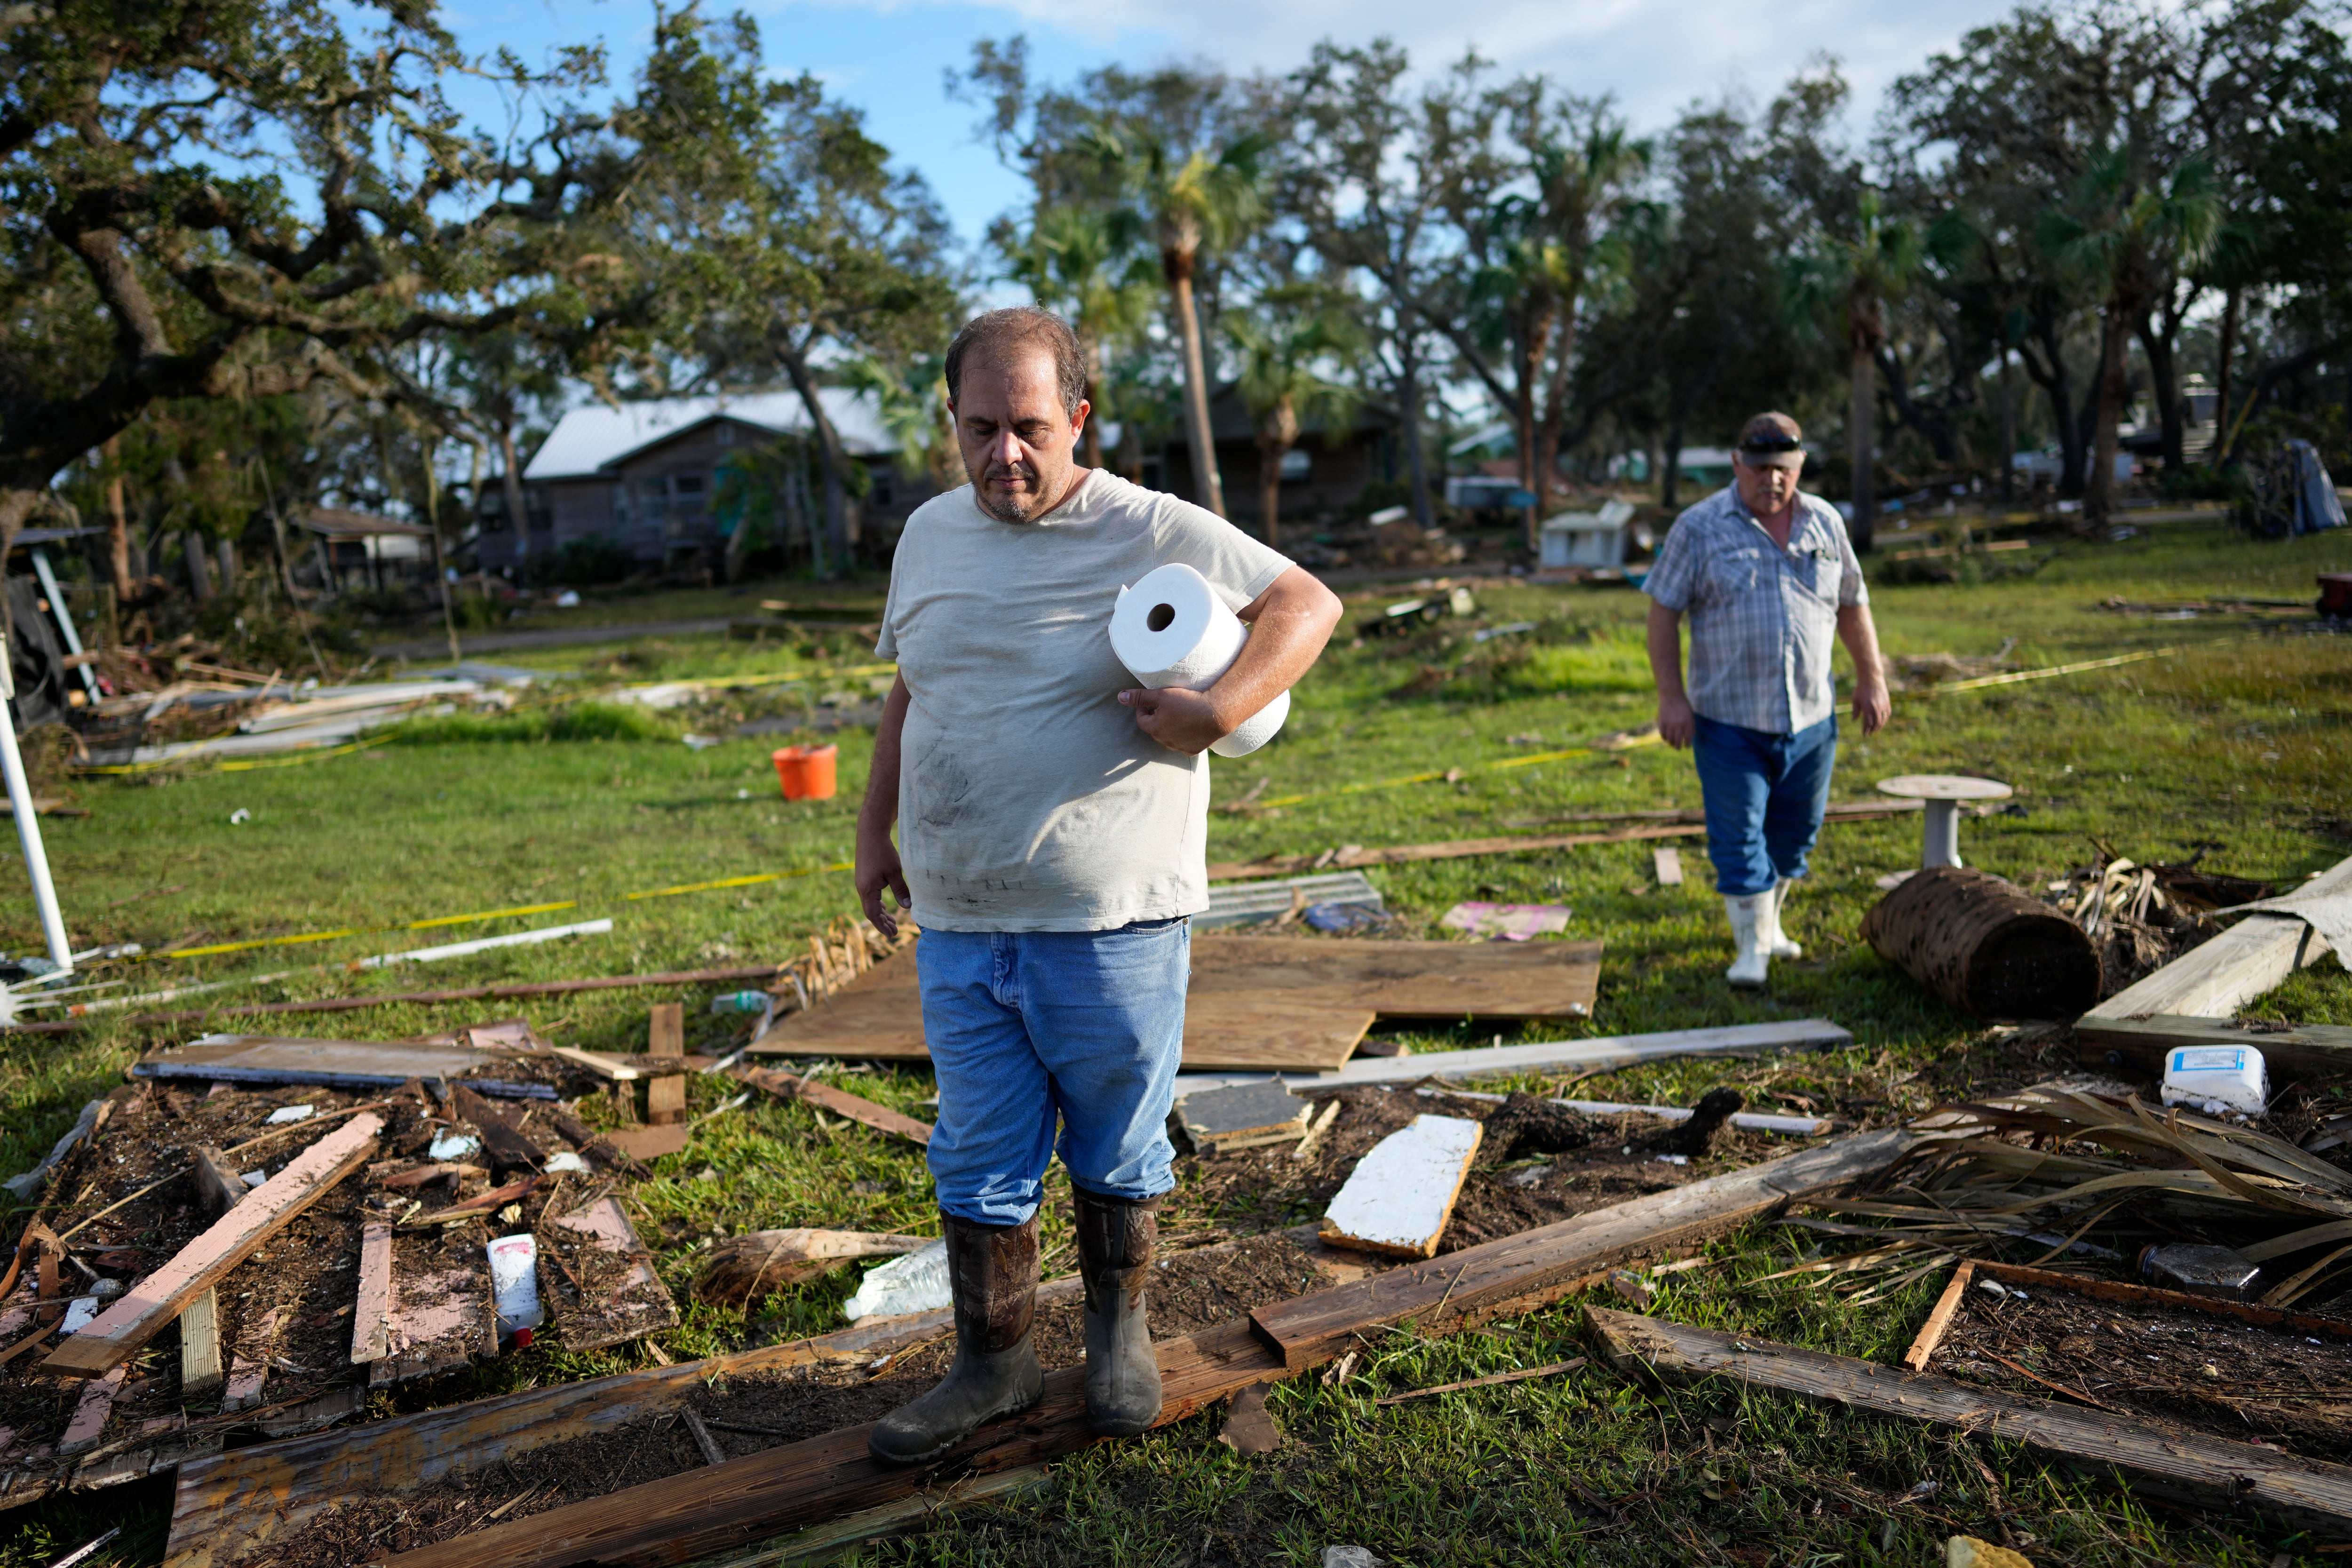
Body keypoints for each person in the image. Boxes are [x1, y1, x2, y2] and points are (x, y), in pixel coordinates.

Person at [853, 307, 1342, 1463]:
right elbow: (910, 689)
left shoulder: (1152, 529)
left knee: (1118, 1145)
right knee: (976, 1150)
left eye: (1028, 427)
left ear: (1075, 418)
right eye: (979, 429)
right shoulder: (927, 536)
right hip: (961, 917)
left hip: (1109, 919)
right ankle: (994, 1364)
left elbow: (1305, 603)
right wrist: (873, 831)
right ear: (953, 422)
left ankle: (1118, 1338)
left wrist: (1218, 708)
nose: (1002, 456)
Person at [1641, 412, 1891, 986]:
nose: (1770, 481)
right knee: (1738, 835)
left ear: (1799, 465)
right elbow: (1662, 611)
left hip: (1810, 716)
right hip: (1728, 718)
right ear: (1736, 464)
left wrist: (1871, 677)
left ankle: (1769, 928)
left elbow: (1852, 604)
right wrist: (1669, 696)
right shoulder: (1699, 527)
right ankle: (1749, 951)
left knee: (1794, 835)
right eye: (1758, 469)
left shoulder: (1824, 523)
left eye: (1781, 469)